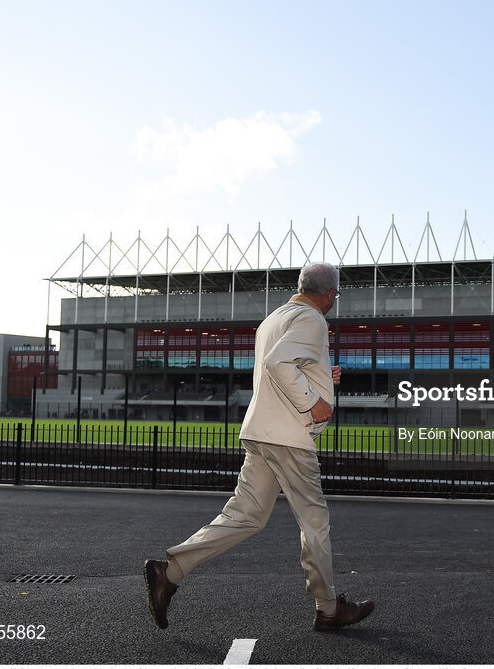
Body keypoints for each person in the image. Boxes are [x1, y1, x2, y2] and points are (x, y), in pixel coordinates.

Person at [144, 262, 374, 632]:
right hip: (289, 438)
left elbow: (282, 364)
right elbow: (278, 363)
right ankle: (329, 609)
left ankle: (169, 572)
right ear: (329, 293)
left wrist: (321, 374)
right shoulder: (313, 319)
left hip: (262, 432)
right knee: (315, 523)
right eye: (336, 294)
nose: (335, 300)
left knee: (244, 516)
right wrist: (313, 401)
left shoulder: (274, 318)